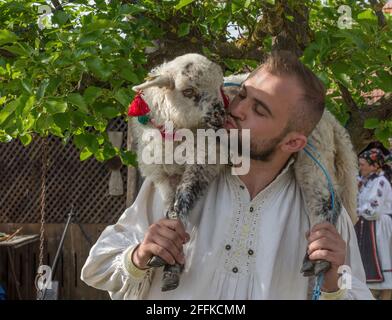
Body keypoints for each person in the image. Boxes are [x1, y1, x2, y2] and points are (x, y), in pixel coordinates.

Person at [81, 51, 373, 300]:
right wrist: (138, 255)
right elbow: (97, 267)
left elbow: (353, 289)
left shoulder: (324, 219)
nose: (236, 109)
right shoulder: (175, 181)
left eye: (259, 110)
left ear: (293, 142)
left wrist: (334, 284)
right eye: (243, 95)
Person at [355, 149, 392, 300]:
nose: (360, 167)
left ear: (374, 166)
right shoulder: (365, 182)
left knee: (384, 264)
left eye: (362, 164)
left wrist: (354, 211)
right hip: (368, 227)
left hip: (379, 228)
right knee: (370, 270)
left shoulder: (381, 182)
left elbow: (372, 210)